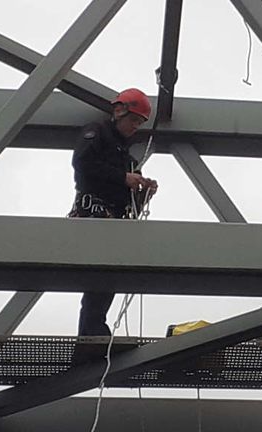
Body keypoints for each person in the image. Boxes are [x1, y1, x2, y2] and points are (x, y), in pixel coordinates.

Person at [69, 88, 158, 336]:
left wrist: (142, 192)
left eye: (139, 123)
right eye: (133, 120)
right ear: (119, 111)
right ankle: (92, 331)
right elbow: (82, 162)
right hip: (93, 213)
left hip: (111, 217)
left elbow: (128, 202)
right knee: (100, 276)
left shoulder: (126, 158)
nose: (135, 127)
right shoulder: (96, 132)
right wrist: (123, 177)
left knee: (106, 279)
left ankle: (94, 331)